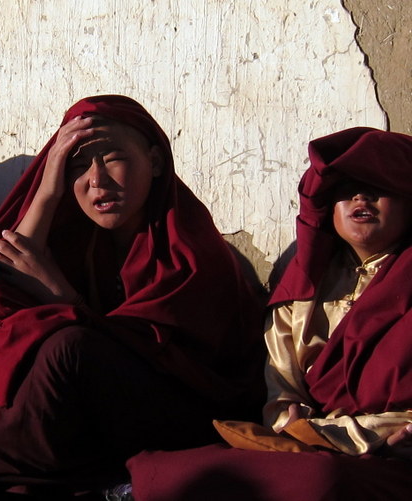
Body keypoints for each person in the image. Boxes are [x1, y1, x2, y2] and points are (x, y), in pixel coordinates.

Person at [0, 95, 266, 501]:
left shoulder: (188, 247)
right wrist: (46, 192)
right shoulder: (83, 240)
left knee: (67, 347)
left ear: (156, 162)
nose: (97, 180)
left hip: (191, 414)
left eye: (111, 158)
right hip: (101, 419)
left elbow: (166, 360)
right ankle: (29, 474)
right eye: (77, 164)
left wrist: (60, 294)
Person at [125, 127, 412, 501]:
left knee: (322, 481)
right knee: (174, 467)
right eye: (346, 188)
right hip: (307, 446)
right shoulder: (305, 286)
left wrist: (339, 436)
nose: (360, 196)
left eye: (379, 185)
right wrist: (290, 424)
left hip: (391, 454)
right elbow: (281, 387)